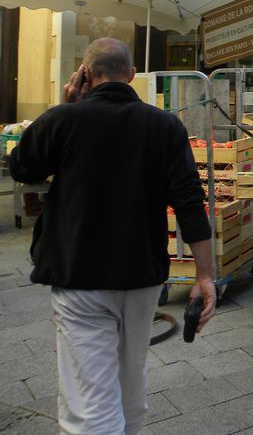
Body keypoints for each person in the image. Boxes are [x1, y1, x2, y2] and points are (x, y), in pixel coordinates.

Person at [8, 38, 216, 434]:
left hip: (79, 275)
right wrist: (204, 276)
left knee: (88, 401)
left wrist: (66, 105)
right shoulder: (166, 126)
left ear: (85, 75)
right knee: (130, 380)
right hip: (142, 277)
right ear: (132, 75)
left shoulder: (63, 120)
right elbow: (191, 203)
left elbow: (21, 167)